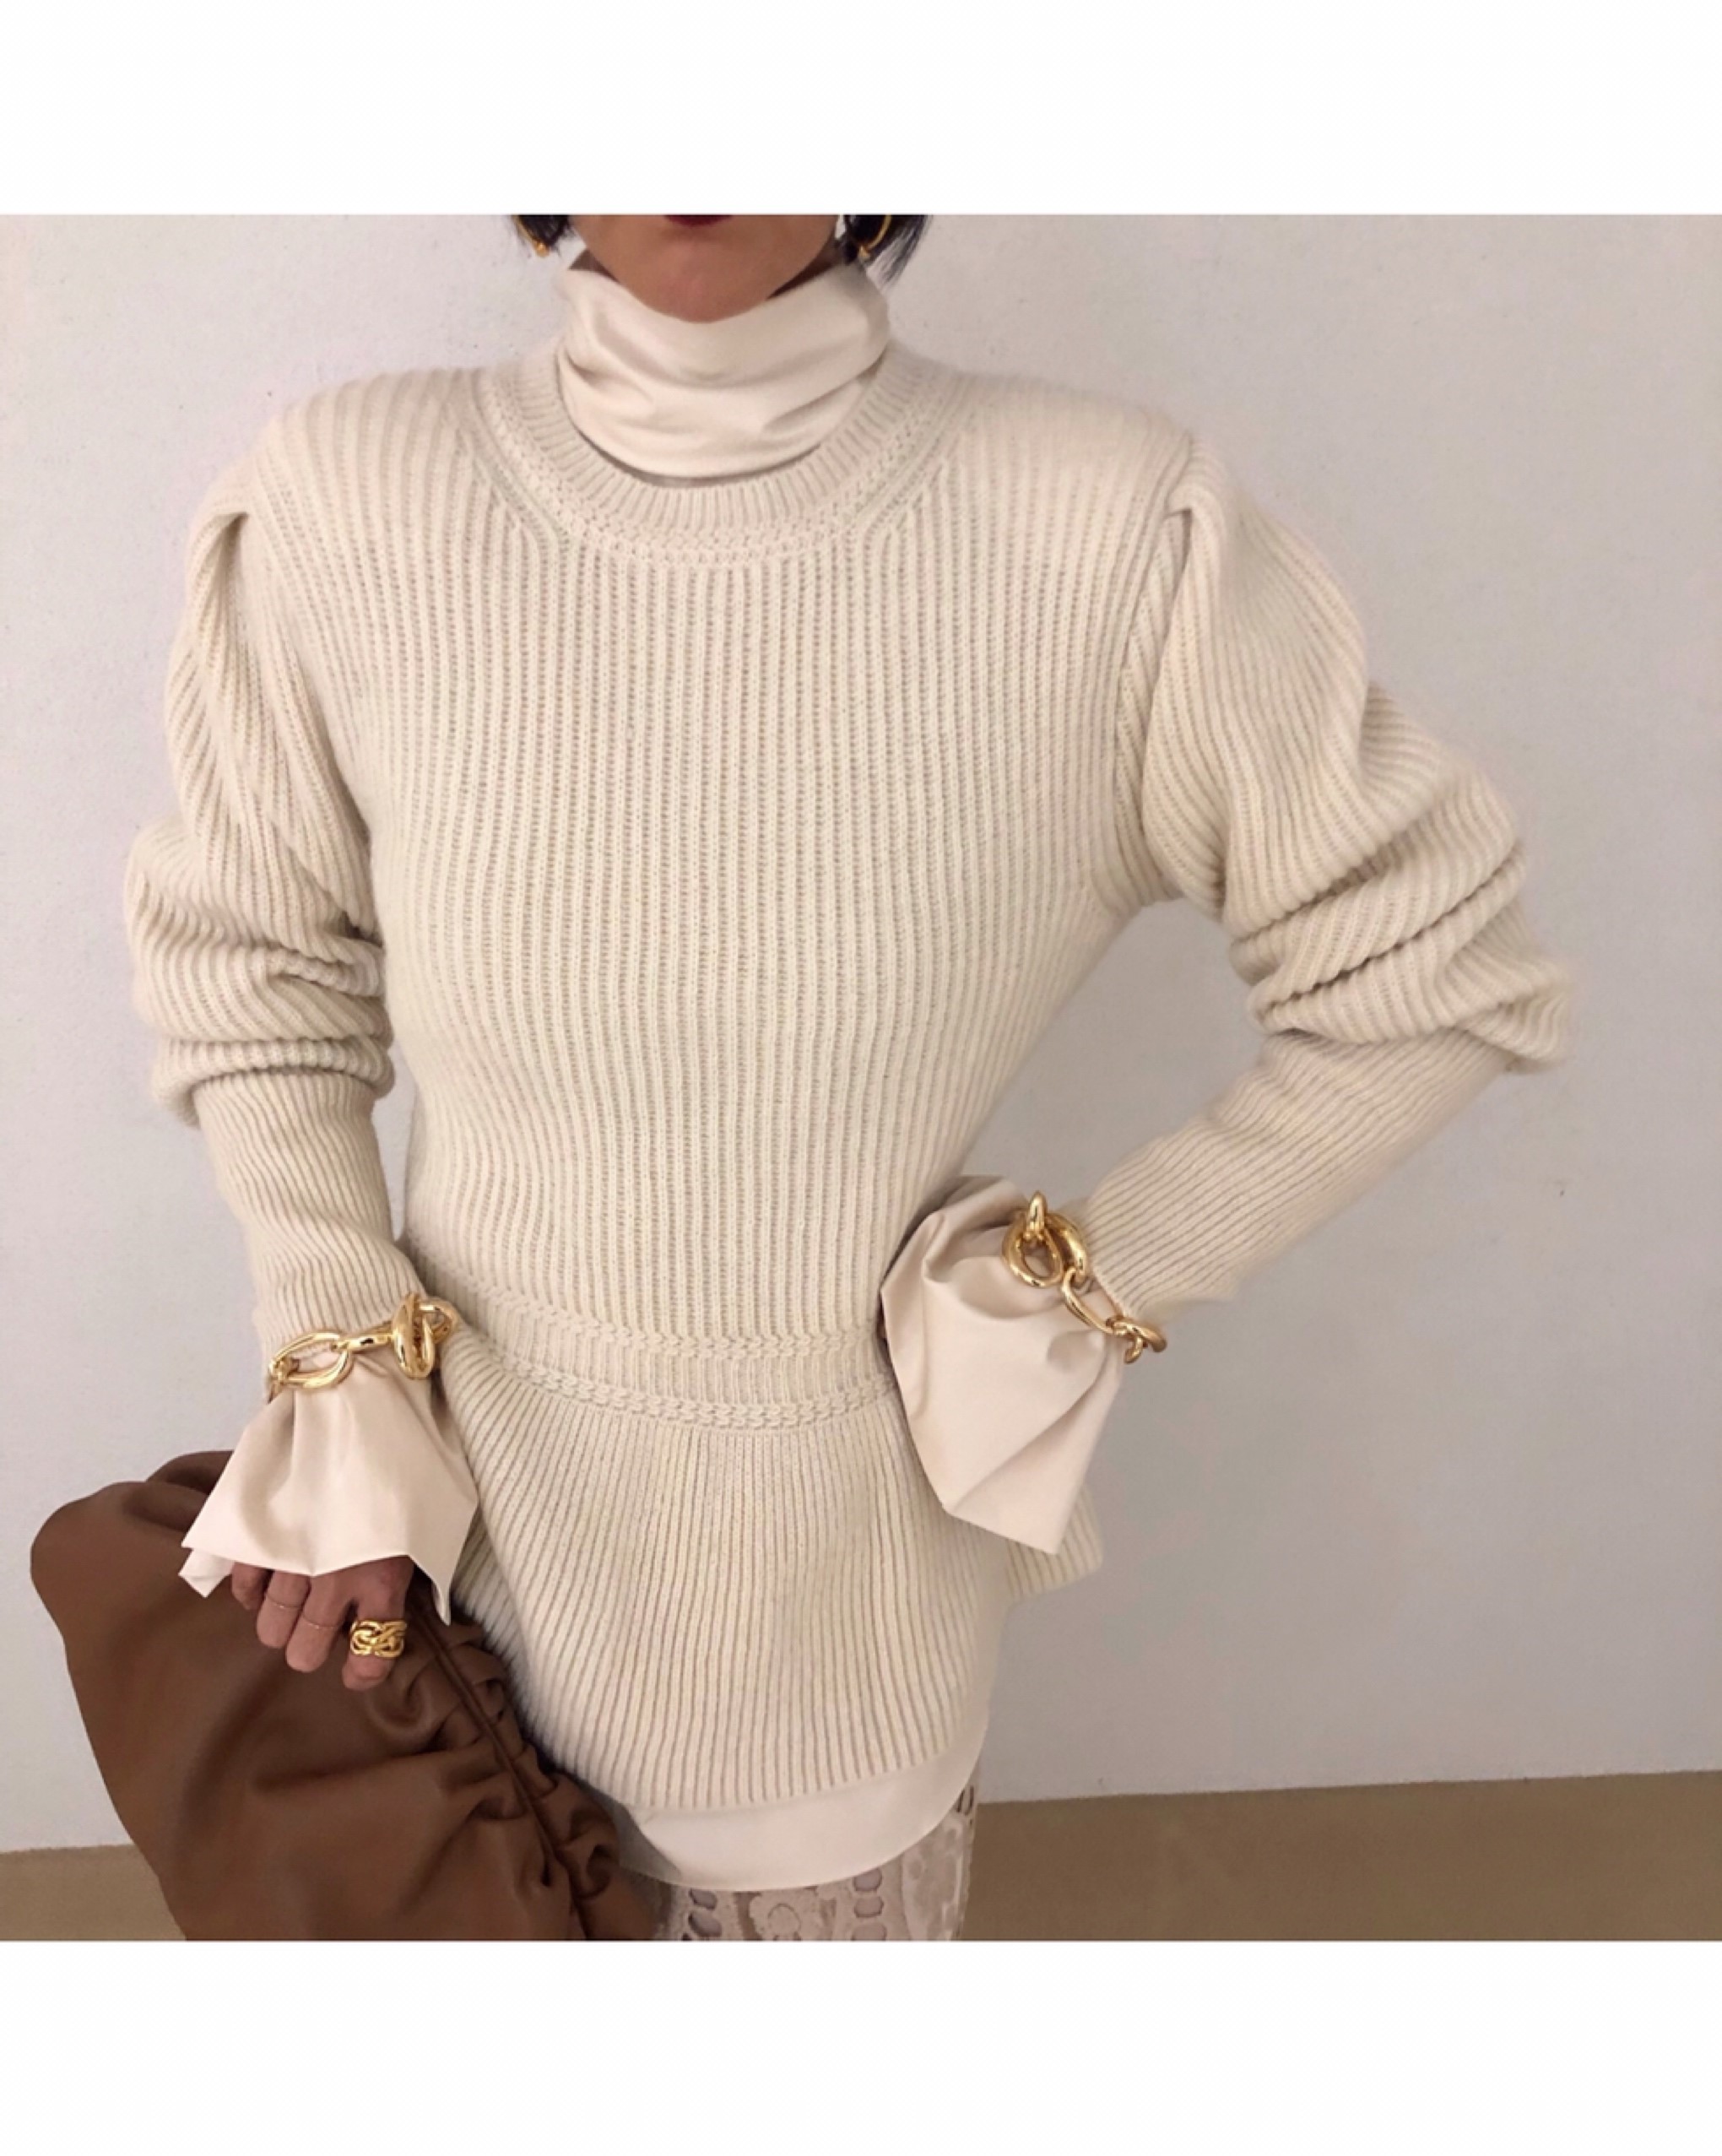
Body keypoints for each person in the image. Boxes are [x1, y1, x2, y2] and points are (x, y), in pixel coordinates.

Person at [122, 214, 1573, 1942]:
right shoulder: (347, 503)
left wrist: (1078, 1283)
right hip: (419, 1617)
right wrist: (339, 1366)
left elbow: (1428, 970)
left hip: (828, 1662)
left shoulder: (1108, 535)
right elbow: (260, 971)